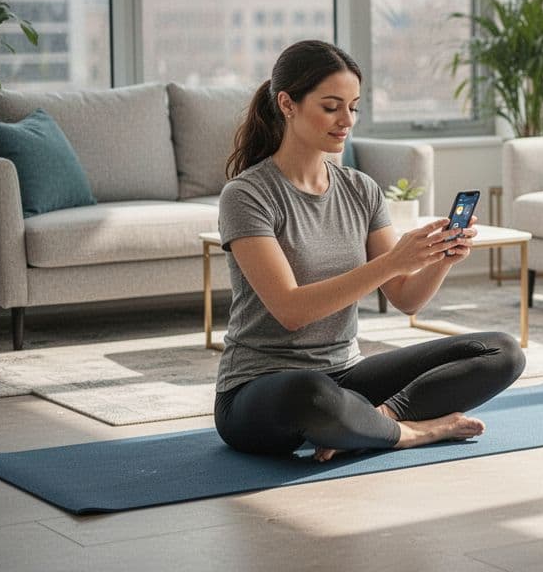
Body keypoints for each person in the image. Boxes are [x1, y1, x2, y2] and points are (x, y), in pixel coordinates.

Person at [215, 39, 525, 462]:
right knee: (311, 394)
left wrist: (440, 260)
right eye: (331, 106)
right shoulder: (247, 195)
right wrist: (392, 261)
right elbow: (290, 310)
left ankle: (377, 420)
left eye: (354, 107)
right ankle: (413, 432)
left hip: (345, 374)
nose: (347, 120)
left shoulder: (361, 189)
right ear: (287, 104)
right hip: (260, 387)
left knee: (502, 352)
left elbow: (405, 297)